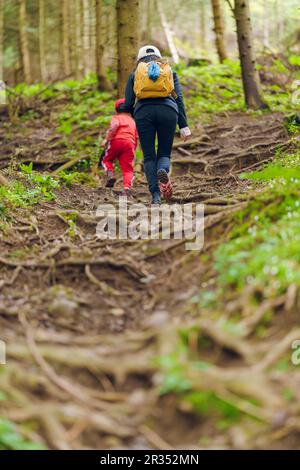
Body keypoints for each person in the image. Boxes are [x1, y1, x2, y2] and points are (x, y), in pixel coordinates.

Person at [117, 45, 191, 204]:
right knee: (164, 153)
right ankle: (162, 170)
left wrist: (121, 110)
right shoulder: (170, 72)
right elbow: (178, 99)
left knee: (150, 156)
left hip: (144, 113)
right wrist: (184, 126)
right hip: (168, 111)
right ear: (158, 57)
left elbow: (129, 104)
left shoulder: (135, 74)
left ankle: (156, 196)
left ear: (139, 59)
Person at [100, 98, 138, 196]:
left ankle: (110, 175)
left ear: (116, 110)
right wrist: (134, 148)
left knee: (106, 160)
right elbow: (136, 136)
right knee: (128, 169)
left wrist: (107, 139)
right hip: (130, 143)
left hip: (116, 141)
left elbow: (114, 127)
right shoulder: (133, 121)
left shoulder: (116, 118)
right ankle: (127, 188)